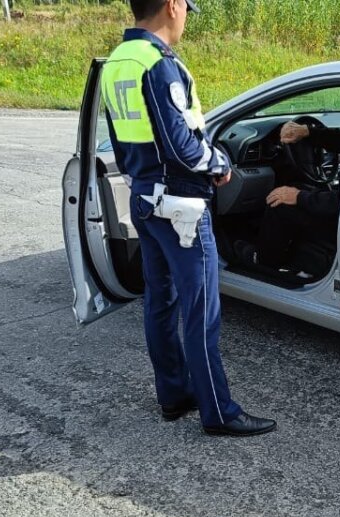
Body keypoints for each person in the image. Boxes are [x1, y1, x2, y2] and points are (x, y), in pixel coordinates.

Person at [101, 0, 275, 436]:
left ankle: (174, 394)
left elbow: (122, 145)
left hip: (145, 198)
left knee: (160, 303)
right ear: (173, 5)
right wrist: (219, 165)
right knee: (201, 312)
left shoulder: (117, 62)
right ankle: (219, 412)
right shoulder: (157, 64)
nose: (184, 18)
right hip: (182, 207)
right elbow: (181, 144)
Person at [234, 85, 340, 273]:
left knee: (281, 203)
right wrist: (307, 132)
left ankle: (263, 262)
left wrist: (298, 197)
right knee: (299, 187)